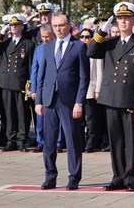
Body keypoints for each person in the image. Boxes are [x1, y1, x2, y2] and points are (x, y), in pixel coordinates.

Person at [87, 2, 134, 192]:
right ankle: (118, 177)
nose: (123, 21)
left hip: (132, 100)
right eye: (120, 18)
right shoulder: (109, 44)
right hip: (111, 98)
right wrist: (102, 31)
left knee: (131, 142)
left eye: (127, 18)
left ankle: (130, 178)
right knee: (115, 141)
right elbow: (90, 52)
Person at [35, 13, 90, 190]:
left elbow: (84, 77)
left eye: (61, 25)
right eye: (55, 26)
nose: (58, 29)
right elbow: (42, 75)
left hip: (69, 101)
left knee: (72, 140)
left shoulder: (79, 47)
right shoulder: (48, 46)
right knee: (48, 141)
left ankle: (74, 177)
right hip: (50, 99)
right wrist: (39, 100)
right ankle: (50, 176)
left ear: (69, 26)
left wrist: (79, 102)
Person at [0, 14, 35, 152]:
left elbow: (30, 66)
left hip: (21, 83)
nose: (13, 27)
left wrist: (30, 84)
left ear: (22, 27)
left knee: (22, 113)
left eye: (16, 25)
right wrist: (1, 34)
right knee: (8, 112)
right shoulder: (5, 43)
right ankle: (10, 140)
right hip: (6, 83)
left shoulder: (28, 44)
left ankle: (21, 139)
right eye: (11, 25)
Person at [30, 24, 65, 153]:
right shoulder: (38, 49)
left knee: (57, 116)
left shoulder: (58, 47)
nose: (44, 39)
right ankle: (41, 141)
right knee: (40, 116)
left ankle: (58, 142)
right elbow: (35, 70)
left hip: (54, 87)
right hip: (42, 88)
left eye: (47, 37)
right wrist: (33, 89)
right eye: (42, 37)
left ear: (53, 36)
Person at [78, 28, 105, 153]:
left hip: (91, 89)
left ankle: (90, 143)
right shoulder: (77, 50)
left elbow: (99, 72)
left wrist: (98, 89)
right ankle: (80, 142)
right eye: (82, 36)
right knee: (79, 119)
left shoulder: (94, 51)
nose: (84, 39)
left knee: (91, 118)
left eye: (87, 36)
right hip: (78, 91)